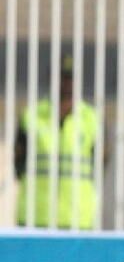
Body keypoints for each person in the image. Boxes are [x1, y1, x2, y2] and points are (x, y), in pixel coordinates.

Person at [14, 61, 101, 229]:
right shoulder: (32, 115)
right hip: (36, 216)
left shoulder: (91, 118)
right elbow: (18, 161)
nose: (65, 83)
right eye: (61, 77)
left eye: (69, 78)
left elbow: (100, 161)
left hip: (78, 218)